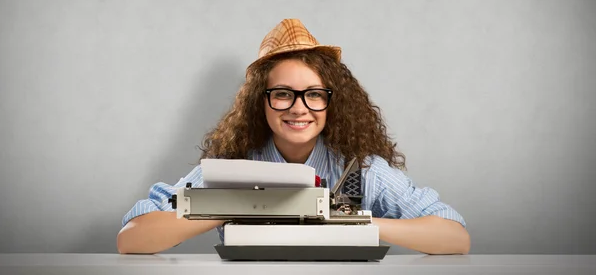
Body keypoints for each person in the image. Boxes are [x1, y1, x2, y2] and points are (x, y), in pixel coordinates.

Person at [117, 19, 470, 255]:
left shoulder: (362, 172)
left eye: (314, 94)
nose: (299, 108)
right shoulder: (231, 169)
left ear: (333, 102)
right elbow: (132, 238)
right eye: (283, 93)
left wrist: (346, 219)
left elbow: (455, 237)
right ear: (262, 103)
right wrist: (244, 206)